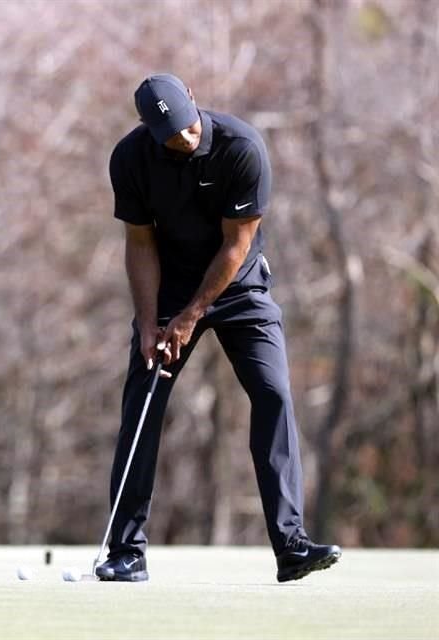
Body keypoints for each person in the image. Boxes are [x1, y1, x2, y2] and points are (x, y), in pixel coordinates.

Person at [96, 74, 341, 583]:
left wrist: (191, 316)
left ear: (193, 104)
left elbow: (237, 246)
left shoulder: (241, 147)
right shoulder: (130, 159)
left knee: (274, 395)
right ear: (147, 128)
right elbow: (139, 244)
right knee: (142, 401)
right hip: (167, 290)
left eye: (186, 126)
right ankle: (126, 552)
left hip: (239, 288)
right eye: (168, 133)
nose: (182, 138)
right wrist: (149, 322)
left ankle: (290, 546)